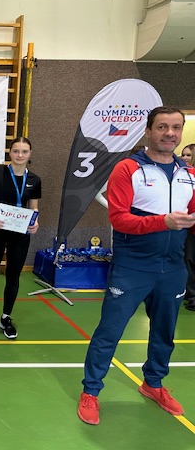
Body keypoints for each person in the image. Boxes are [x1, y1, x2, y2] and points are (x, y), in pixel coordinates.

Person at [78, 106, 195, 425]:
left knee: (164, 333)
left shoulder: (188, 173)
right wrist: (162, 222)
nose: (170, 133)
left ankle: (153, 383)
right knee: (109, 332)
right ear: (148, 131)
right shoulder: (127, 169)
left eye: (176, 127)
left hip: (173, 268)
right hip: (132, 268)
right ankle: (91, 391)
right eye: (162, 127)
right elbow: (119, 219)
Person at [0, 137, 41, 338]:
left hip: (20, 234)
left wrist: (35, 222)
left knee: (13, 277)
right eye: (16, 151)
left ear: (30, 154)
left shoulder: (34, 180)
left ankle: (5, 318)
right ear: (9, 153)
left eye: (24, 151)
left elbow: (34, 207)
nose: (20, 155)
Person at [181, 144, 195, 311]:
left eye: (188, 155)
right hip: (188, 226)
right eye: (183, 155)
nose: (184, 158)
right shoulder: (182, 174)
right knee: (189, 261)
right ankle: (191, 296)